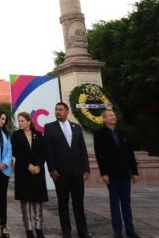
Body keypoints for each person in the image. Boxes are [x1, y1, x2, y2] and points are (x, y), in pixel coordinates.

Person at [44, 102, 92, 238]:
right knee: (63, 203)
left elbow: (82, 149)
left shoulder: (76, 127)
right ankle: (66, 231)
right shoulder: (49, 128)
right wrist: (52, 169)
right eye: (56, 109)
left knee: (79, 203)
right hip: (60, 173)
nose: (57, 112)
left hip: (77, 172)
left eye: (60, 109)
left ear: (67, 111)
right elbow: (48, 151)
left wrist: (86, 168)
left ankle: (83, 231)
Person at [94, 110, 141, 238]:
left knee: (126, 202)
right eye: (110, 115)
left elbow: (130, 153)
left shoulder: (122, 133)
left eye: (114, 115)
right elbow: (100, 155)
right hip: (111, 175)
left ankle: (130, 230)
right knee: (115, 203)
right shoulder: (99, 134)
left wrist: (134, 172)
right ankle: (118, 231)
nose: (113, 117)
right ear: (104, 119)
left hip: (125, 173)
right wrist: (103, 173)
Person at [11, 112, 49, 238]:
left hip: (37, 172)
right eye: (19, 121)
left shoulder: (38, 134)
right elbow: (16, 152)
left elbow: (43, 152)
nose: (20, 123)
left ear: (29, 121)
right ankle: (29, 230)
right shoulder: (16, 135)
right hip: (23, 172)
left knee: (38, 200)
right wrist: (28, 165)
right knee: (26, 201)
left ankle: (39, 229)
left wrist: (38, 166)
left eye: (22, 121)